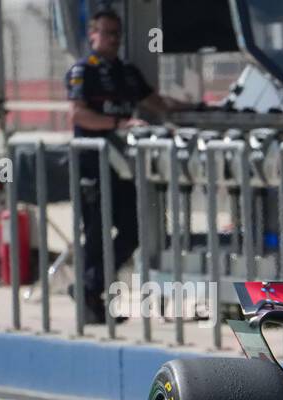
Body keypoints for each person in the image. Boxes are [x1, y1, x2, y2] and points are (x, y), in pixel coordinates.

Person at [65, 9, 191, 323]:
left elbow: (157, 103)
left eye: (116, 34)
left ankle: (89, 286)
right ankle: (90, 294)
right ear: (92, 35)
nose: (112, 40)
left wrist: (195, 109)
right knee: (95, 230)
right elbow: (78, 115)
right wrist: (120, 123)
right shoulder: (84, 70)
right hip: (92, 164)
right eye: (106, 33)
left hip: (121, 166)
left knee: (132, 228)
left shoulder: (127, 72)